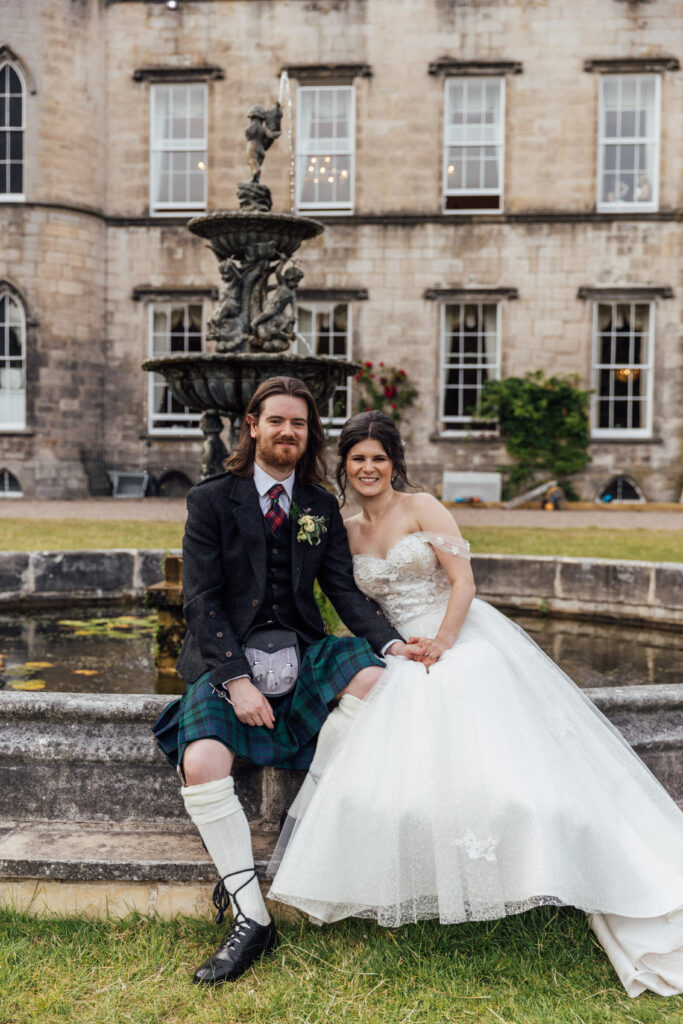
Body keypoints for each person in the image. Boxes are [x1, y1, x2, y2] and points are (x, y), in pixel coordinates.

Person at [268, 410, 683, 999]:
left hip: (455, 634)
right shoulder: (344, 525)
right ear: (345, 465)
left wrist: (444, 642)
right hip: (399, 647)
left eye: (378, 458)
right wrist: (391, 646)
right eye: (357, 458)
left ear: (394, 462)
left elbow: (463, 582)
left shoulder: (424, 507)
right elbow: (346, 596)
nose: (368, 468)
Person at [152, 382, 415, 986]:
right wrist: (235, 679)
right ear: (252, 426)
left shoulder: (320, 506)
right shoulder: (212, 499)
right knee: (201, 761)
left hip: (299, 649)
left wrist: (395, 642)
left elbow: (344, 591)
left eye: (299, 424)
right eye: (276, 421)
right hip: (229, 657)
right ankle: (250, 917)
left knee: (373, 676)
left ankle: (311, 827)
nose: (287, 432)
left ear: (309, 433)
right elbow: (201, 599)